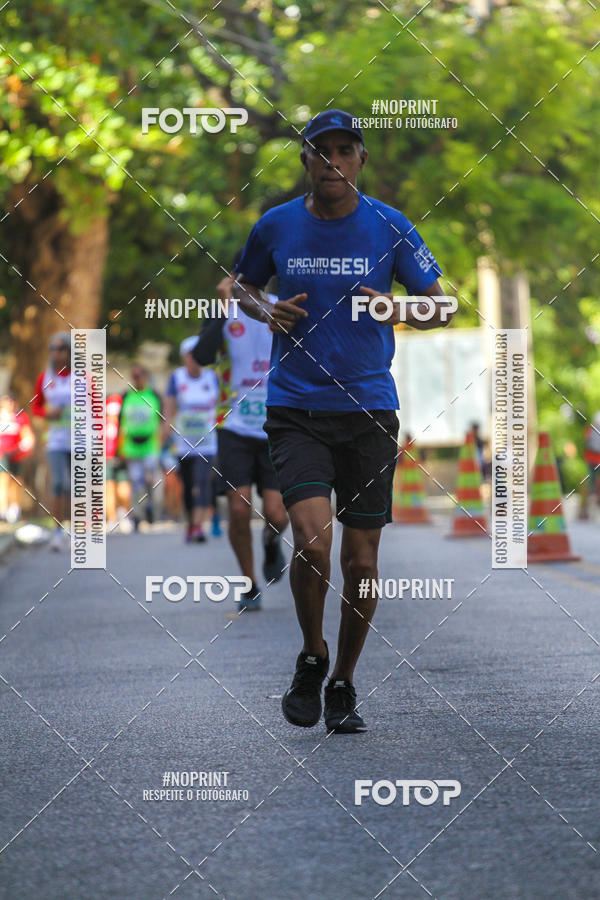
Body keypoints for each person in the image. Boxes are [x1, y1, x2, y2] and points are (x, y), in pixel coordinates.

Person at [234, 109, 454, 731]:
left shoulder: (390, 226)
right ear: (305, 160)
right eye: (321, 150)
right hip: (296, 409)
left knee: (361, 563)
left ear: (360, 160)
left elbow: (442, 305)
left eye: (345, 150)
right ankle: (312, 651)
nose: (333, 161)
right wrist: (265, 308)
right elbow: (241, 286)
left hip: (368, 412)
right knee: (311, 541)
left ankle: (344, 682)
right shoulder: (275, 225)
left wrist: (396, 306)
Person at [192, 254, 288, 610]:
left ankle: (270, 540)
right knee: (237, 508)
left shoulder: (281, 308)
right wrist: (221, 307)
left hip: (277, 423)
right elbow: (202, 356)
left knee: (278, 513)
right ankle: (249, 584)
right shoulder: (222, 313)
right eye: (241, 274)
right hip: (233, 426)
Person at [162, 337, 219, 542]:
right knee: (187, 485)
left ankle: (198, 526)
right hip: (183, 443)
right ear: (184, 357)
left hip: (207, 442)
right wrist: (164, 434)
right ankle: (190, 523)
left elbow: (222, 404)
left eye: (198, 355)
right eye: (190, 355)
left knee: (202, 482)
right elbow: (168, 409)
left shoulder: (212, 377)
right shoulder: (176, 378)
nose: (194, 359)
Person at [31, 332, 72, 551]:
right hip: (55, 440)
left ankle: (75, 529)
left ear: (69, 352)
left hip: (79, 441)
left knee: (75, 486)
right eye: (53, 349)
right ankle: (57, 530)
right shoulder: (45, 378)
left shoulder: (82, 378)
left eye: (60, 349)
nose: (56, 353)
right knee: (58, 483)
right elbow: (35, 406)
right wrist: (48, 414)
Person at [118, 364, 162, 530]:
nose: (136, 379)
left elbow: (163, 420)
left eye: (139, 376)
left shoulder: (154, 395)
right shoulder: (126, 396)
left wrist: (163, 441)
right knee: (135, 482)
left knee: (149, 479)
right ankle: (137, 514)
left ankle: (150, 505)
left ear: (145, 376)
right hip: (131, 447)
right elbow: (120, 423)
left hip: (151, 446)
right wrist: (120, 447)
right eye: (133, 376)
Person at [0, 393, 35, 523]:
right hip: (2, 454)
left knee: (16, 481)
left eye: (12, 401)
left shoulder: (20, 417)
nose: (10, 403)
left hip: (17, 454)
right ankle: (3, 509)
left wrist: (23, 447)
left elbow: (27, 435)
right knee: (3, 479)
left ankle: (14, 508)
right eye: (7, 401)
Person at [106, 393, 132, 533]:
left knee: (123, 490)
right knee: (109, 489)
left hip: (122, 457)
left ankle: (124, 515)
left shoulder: (125, 422)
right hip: (106, 458)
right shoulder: (100, 423)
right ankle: (112, 520)